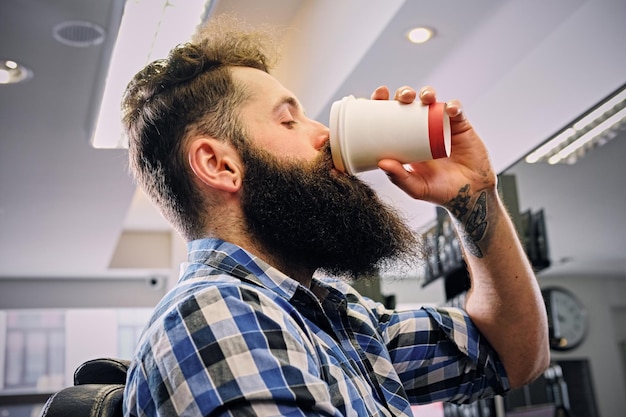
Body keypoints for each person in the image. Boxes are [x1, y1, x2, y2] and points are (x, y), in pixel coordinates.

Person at [121, 16, 549, 417]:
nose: (324, 133)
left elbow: (514, 353)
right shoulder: (216, 314)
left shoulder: (337, 318)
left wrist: (474, 196)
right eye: (289, 120)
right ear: (220, 165)